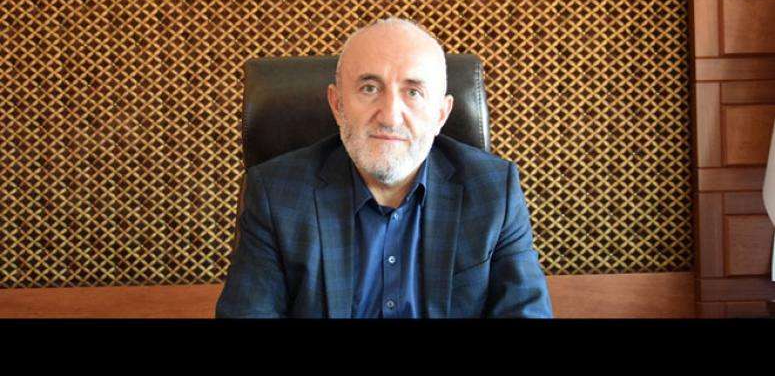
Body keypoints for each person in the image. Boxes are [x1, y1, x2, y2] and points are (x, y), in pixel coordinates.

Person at [215, 18, 553, 318]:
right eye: (369, 88)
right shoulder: (275, 195)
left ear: (441, 114)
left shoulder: (495, 191)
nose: (390, 115)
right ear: (337, 104)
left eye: (413, 92)